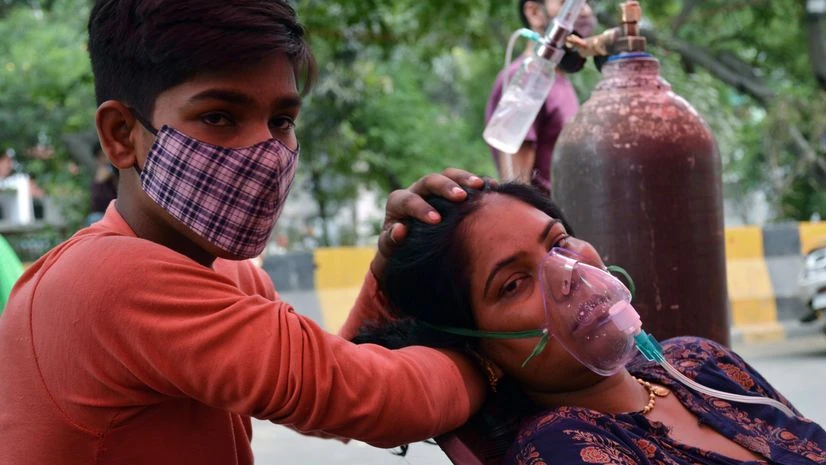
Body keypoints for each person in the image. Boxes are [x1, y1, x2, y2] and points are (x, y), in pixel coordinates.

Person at [0, 1, 488, 463]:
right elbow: (373, 399)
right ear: (121, 134)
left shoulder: (230, 275)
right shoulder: (112, 281)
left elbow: (323, 385)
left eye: (281, 120)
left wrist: (387, 269)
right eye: (218, 116)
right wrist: (496, 360)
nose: (266, 151)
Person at [351, 182, 826, 465]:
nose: (567, 274)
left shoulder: (700, 360)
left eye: (558, 242)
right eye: (513, 284)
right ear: (481, 348)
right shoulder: (562, 445)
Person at [484, 0, 595, 195]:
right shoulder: (527, 80)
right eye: (565, 3)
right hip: (548, 220)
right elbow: (516, 189)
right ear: (534, 12)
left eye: (585, 3)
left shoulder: (557, 80)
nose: (584, 10)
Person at [87, 141, 119, 224]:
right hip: (103, 215)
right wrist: (99, 182)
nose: (106, 158)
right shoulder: (100, 178)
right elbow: (96, 203)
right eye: (102, 156)